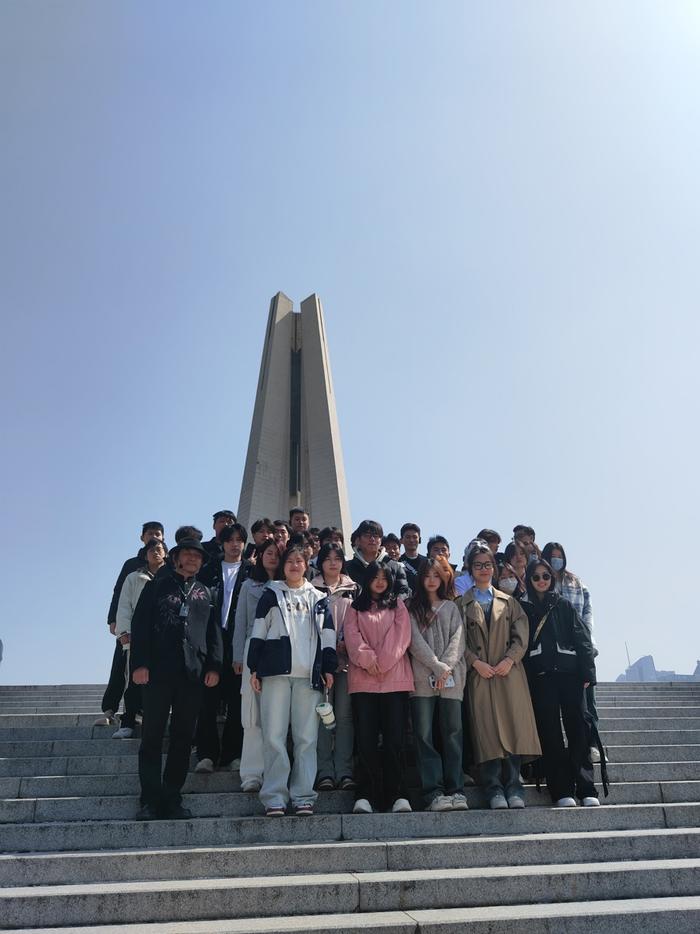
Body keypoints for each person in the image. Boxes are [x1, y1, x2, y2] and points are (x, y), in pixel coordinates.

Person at [130, 538, 222, 820]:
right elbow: (140, 625)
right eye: (188, 554)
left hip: (192, 674)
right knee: (152, 737)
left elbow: (214, 633)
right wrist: (140, 664)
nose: (193, 559)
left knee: (183, 738)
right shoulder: (156, 585)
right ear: (176, 558)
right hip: (157, 671)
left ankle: (172, 797)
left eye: (198, 556)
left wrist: (214, 667)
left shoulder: (206, 593)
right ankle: (150, 799)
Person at [247, 545, 336, 816]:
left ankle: (303, 796)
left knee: (306, 738)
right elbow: (259, 630)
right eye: (290, 561)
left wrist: (328, 667)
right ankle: (274, 796)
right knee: (273, 736)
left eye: (300, 560)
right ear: (283, 565)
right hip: (275, 673)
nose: (295, 565)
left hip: (308, 676)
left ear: (306, 564)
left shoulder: (319, 597)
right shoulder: (271, 594)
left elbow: (329, 635)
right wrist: (254, 668)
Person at [456, 543, 541, 809]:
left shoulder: (509, 601)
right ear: (470, 569)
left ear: (494, 568)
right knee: (487, 732)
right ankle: (493, 789)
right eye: (478, 565)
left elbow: (521, 636)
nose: (484, 569)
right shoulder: (461, 604)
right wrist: (474, 662)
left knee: (513, 728)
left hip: (508, 674)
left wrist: (509, 659)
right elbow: (457, 641)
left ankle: (514, 787)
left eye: (488, 564)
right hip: (480, 674)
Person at [520, 558, 601, 807]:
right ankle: (561, 789)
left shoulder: (564, 605)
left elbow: (583, 639)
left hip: (570, 676)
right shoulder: (522, 609)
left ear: (551, 579)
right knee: (550, 733)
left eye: (546, 576)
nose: (542, 580)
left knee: (578, 729)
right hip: (541, 678)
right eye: (536, 577)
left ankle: (586, 787)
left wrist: (588, 674)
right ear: (529, 581)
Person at [344, 562, 414, 814]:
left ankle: (398, 795)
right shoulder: (354, 608)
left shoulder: (398, 606)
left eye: (386, 577)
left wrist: (381, 662)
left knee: (396, 740)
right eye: (376, 576)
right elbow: (352, 638)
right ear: (368, 579)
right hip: (364, 683)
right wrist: (368, 661)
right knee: (366, 741)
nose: (381, 581)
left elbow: (401, 638)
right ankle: (366, 795)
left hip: (395, 682)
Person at [408, 559, 467, 811]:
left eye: (436, 575)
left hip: (451, 679)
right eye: (427, 575)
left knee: (453, 733)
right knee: (424, 735)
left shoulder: (452, 607)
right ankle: (434, 792)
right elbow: (413, 640)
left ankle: (456, 789)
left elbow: (459, 638)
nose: (432, 579)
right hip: (421, 677)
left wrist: (446, 666)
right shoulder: (411, 607)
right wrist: (435, 665)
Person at [96, 521, 165, 727]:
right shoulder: (132, 564)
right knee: (120, 666)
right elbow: (119, 592)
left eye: (159, 534)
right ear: (142, 537)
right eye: (151, 533)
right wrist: (113, 619)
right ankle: (110, 709)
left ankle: (140, 710)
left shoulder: (167, 565)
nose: (156, 537)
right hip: (129, 627)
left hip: (155, 632)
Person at [194, 523, 251, 773]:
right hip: (210, 640)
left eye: (239, 540)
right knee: (207, 699)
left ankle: (232, 753)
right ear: (222, 543)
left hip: (238, 643)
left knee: (237, 702)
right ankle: (206, 754)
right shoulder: (207, 571)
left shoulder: (252, 572)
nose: (235, 544)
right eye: (230, 540)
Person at [541, 542, 600, 760]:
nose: (556, 560)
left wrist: (587, 642)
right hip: (557, 652)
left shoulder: (577, 582)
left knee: (588, 698)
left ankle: (592, 741)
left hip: (581, 647)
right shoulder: (544, 582)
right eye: (552, 556)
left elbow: (587, 613)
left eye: (560, 556)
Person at [232, 538, 281, 792]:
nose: (272, 557)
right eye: (267, 553)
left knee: (277, 717)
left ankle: (276, 773)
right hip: (254, 651)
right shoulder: (249, 585)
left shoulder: (288, 585)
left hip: (282, 654)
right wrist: (238, 656)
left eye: (276, 553)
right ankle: (251, 774)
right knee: (252, 716)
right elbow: (240, 622)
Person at [310, 543, 358, 791]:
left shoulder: (353, 588)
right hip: (319, 663)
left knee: (344, 717)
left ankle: (345, 770)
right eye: (327, 558)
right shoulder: (311, 588)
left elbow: (359, 622)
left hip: (348, 662)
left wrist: (346, 643)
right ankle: (324, 771)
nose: (332, 563)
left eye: (337, 558)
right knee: (323, 717)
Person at [112, 539, 168, 739]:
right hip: (137, 637)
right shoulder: (133, 577)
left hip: (163, 638)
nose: (156, 553)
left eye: (159, 549)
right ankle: (127, 722)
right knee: (133, 682)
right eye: (151, 550)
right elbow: (124, 605)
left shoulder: (171, 576)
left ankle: (152, 722)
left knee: (159, 684)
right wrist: (124, 631)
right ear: (145, 555)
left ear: (166, 554)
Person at [346, 519, 410, 600]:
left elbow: (404, 591)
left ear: (380, 541)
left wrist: (391, 606)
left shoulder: (394, 566)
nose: (372, 539)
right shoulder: (347, 568)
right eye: (367, 535)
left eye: (376, 536)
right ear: (358, 540)